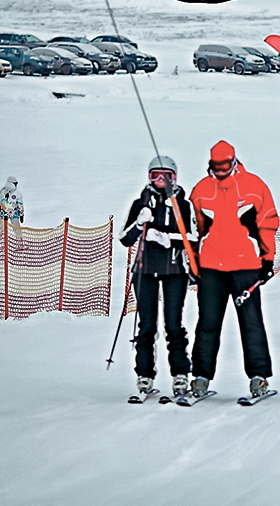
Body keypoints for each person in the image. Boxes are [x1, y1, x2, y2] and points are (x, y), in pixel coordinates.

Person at [188, 141, 279, 399]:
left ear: (234, 162)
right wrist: (192, 264)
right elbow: (194, 231)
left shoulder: (253, 186)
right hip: (210, 268)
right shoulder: (202, 190)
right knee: (207, 323)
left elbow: (268, 221)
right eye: (216, 166)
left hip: (246, 267)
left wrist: (267, 259)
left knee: (251, 323)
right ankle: (201, 378)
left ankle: (258, 378)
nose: (220, 171)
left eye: (225, 165)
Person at [119, 156, 197, 398]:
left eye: (167, 176)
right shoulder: (140, 204)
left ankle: (180, 374)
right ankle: (145, 375)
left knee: (173, 325)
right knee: (147, 326)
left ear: (175, 177)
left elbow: (194, 238)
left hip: (174, 271)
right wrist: (139, 223)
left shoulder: (183, 205)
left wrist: (168, 238)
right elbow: (124, 238)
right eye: (156, 175)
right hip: (145, 271)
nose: (161, 181)